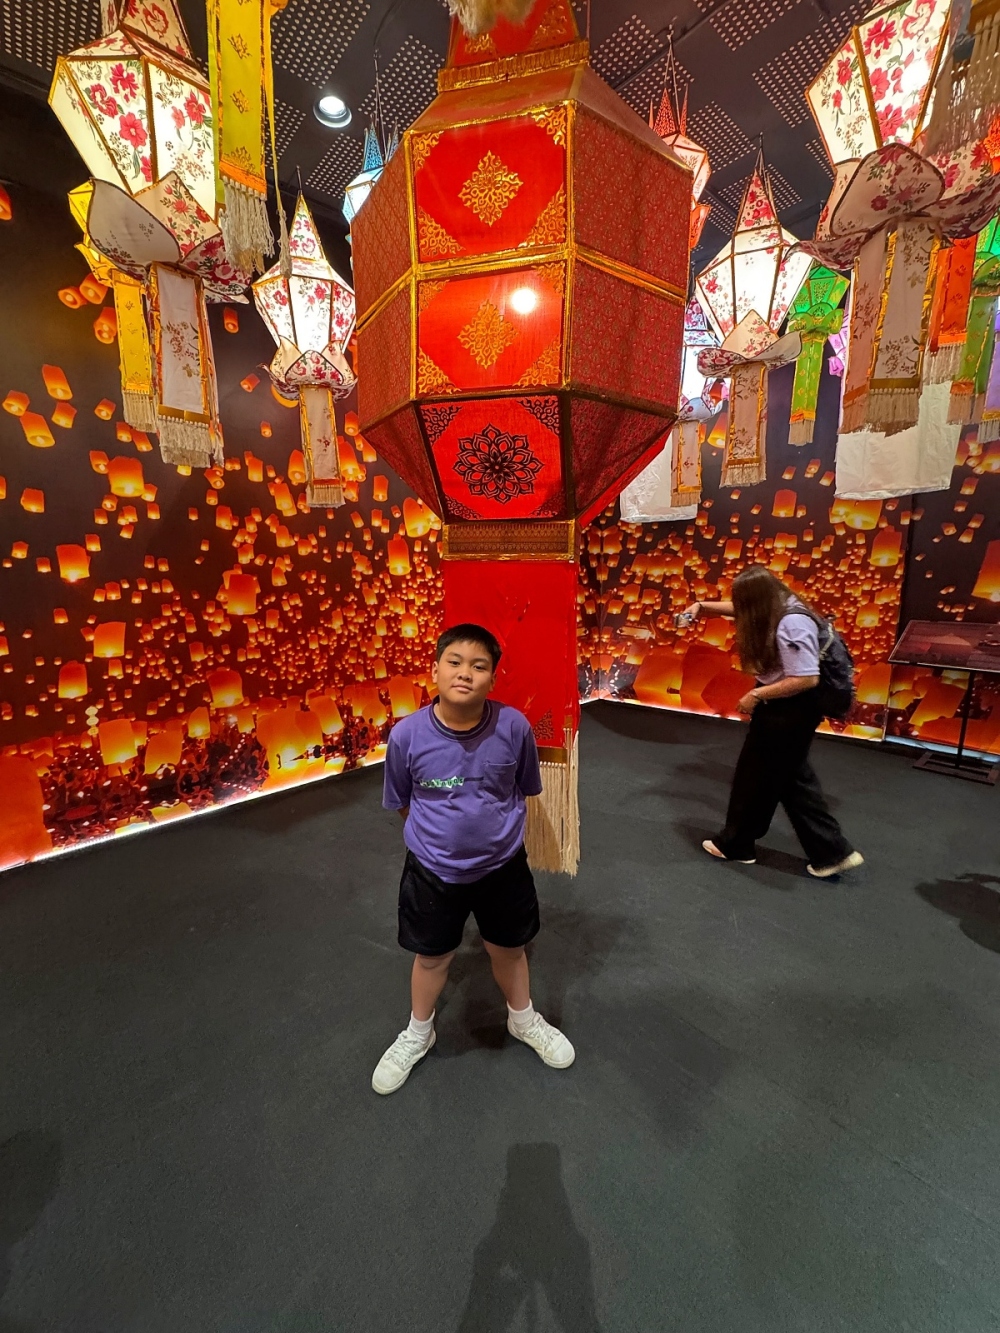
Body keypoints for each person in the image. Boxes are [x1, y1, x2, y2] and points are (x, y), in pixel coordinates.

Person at [372, 623, 575, 1095]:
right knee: (431, 957)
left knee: (509, 949)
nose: (465, 673)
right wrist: (438, 839)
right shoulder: (406, 736)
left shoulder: (514, 727)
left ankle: (522, 1019)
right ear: (434, 670)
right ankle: (418, 1032)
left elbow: (524, 788)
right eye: (454, 662)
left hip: (502, 867)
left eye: (479, 666)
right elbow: (402, 801)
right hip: (432, 871)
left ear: (493, 679)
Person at [682, 566, 863, 877]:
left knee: (757, 777)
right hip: (791, 708)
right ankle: (828, 852)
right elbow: (743, 609)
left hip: (789, 708)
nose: (739, 608)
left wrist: (757, 694)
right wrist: (702, 606)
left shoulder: (791, 624)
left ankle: (740, 845)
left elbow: (805, 678)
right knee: (786, 779)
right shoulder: (784, 603)